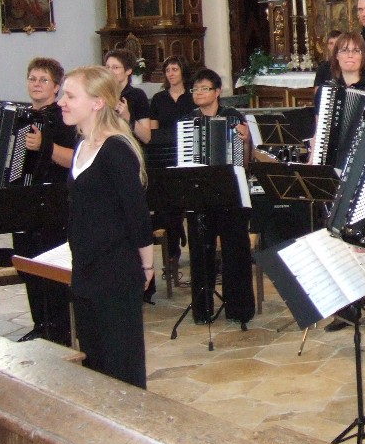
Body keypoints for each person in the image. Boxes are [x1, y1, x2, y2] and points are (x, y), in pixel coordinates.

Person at [60, 66, 154, 389]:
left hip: (115, 270)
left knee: (121, 366)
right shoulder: (81, 146)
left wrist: (147, 266)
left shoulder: (116, 149)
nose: (62, 102)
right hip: (85, 268)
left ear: (97, 102)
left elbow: (137, 214)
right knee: (94, 362)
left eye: (70, 96)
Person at [318, 32, 365, 335]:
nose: (350, 56)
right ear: (336, 56)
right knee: (337, 239)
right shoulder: (327, 91)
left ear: (363, 57)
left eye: (356, 51)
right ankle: (346, 308)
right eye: (344, 51)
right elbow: (319, 127)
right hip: (334, 168)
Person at [13, 58, 77, 345]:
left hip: (56, 200)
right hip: (24, 199)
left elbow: (74, 159)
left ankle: (59, 330)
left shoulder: (63, 118)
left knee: (52, 267)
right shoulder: (21, 117)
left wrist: (44, 146)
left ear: (56, 87)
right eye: (32, 78)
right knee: (27, 263)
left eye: (43, 80)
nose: (36, 84)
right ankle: (40, 325)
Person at [187, 69, 256, 326]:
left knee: (235, 251)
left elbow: (245, 162)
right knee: (199, 250)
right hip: (199, 194)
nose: (199, 93)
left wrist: (246, 141)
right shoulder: (188, 121)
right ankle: (202, 308)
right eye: (195, 89)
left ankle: (239, 308)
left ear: (217, 92)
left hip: (230, 192)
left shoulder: (233, 116)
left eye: (204, 88)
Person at [147, 55, 195, 274]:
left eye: (174, 69)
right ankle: (172, 252)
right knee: (167, 204)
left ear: (183, 71)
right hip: (166, 154)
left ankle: (192, 247)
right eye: (168, 70)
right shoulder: (159, 98)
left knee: (185, 201)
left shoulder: (192, 97)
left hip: (188, 154)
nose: (171, 73)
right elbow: (154, 130)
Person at [104, 49, 151, 144]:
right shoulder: (102, 94)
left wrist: (128, 117)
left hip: (129, 147)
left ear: (128, 71)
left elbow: (146, 137)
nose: (109, 71)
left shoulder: (137, 95)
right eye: (107, 67)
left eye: (115, 67)